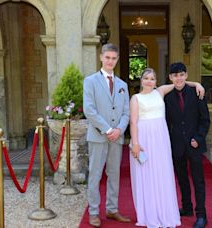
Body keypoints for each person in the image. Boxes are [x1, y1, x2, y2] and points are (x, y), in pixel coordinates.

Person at [129, 68, 205, 228]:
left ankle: (164, 209)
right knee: (148, 174)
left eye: (152, 79)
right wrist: (135, 143)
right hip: (144, 138)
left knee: (162, 173)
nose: (149, 81)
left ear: (156, 81)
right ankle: (151, 212)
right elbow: (133, 122)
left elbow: (180, 83)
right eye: (146, 78)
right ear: (141, 80)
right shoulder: (135, 98)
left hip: (161, 140)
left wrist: (197, 83)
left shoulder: (161, 92)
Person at [83, 43, 131, 227]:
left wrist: (119, 129)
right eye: (107, 57)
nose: (110, 61)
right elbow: (89, 109)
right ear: (101, 57)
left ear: (117, 60)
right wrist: (108, 129)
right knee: (95, 175)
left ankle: (112, 209)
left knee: (114, 174)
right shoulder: (90, 81)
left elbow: (126, 112)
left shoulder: (123, 85)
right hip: (98, 136)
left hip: (117, 137)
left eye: (114, 58)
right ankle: (94, 212)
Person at [164, 62, 210, 228]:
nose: (179, 78)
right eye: (175, 75)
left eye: (182, 74)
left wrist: (198, 138)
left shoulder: (197, 93)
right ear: (170, 77)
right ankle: (187, 207)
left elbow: (205, 120)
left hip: (195, 144)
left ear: (186, 75)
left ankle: (201, 215)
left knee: (198, 180)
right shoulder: (166, 97)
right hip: (176, 144)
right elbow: (166, 122)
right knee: (182, 178)